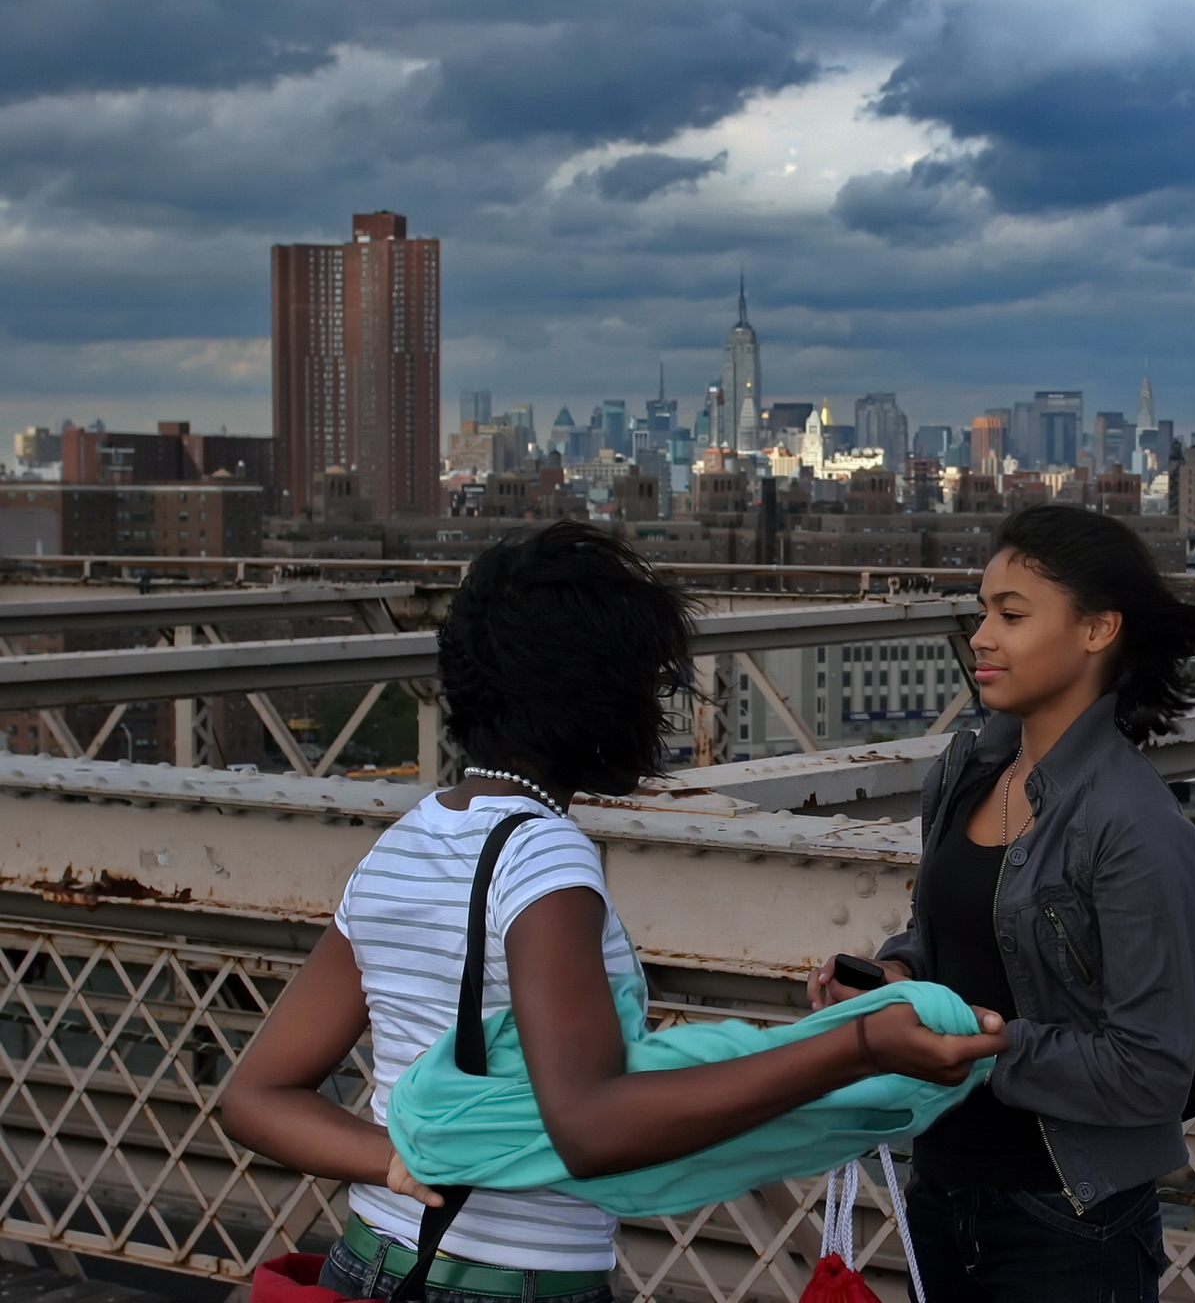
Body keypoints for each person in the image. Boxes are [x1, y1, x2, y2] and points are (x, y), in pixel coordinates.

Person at [222, 520, 1006, 1303]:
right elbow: (592, 1126)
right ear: (590, 698)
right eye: (649, 683)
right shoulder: (544, 860)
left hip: (369, 1263)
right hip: (511, 1283)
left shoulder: (404, 843)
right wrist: (858, 1045)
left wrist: (394, 1161)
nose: (660, 711)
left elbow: (255, 1096)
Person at [808, 504, 1195, 1303]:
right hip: (940, 1189)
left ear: (1096, 630)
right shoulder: (966, 768)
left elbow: (1150, 1070)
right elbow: (950, 937)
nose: (980, 635)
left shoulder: (1135, 827)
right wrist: (892, 974)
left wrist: (980, 1044)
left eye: (1010, 615)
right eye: (982, 612)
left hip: (1068, 1218)